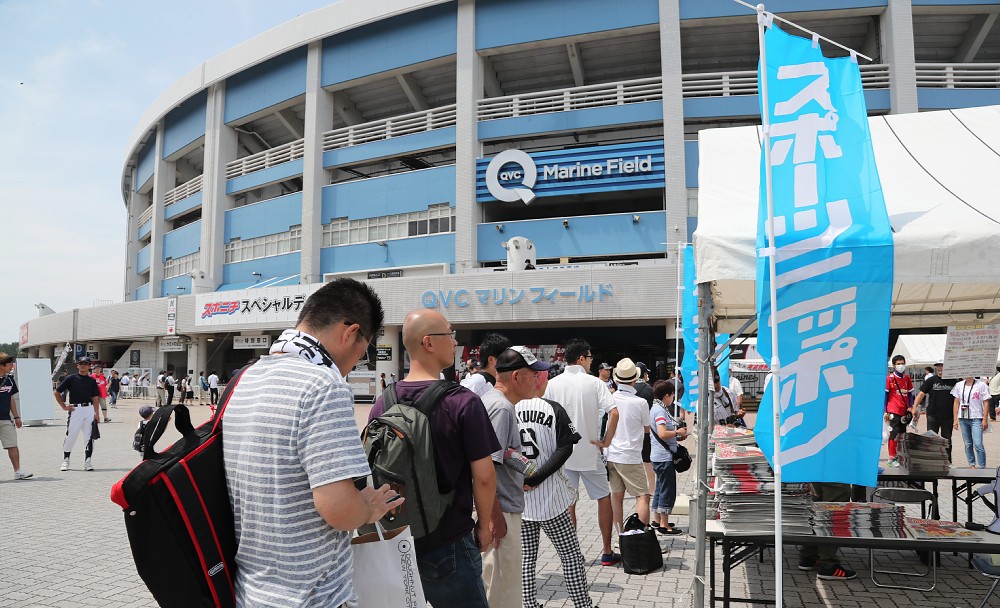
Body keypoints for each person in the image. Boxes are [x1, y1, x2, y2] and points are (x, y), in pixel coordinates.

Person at [223, 278, 402, 607]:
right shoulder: (323, 385)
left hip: (250, 590)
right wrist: (368, 508)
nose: (353, 365)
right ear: (350, 333)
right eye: (361, 354)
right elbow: (339, 510)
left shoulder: (245, 378)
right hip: (311, 594)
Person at [369, 308, 500, 608]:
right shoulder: (462, 401)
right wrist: (483, 526)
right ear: (429, 342)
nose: (455, 343)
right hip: (450, 541)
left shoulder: (383, 402)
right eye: (450, 334)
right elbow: (483, 475)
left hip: (398, 539)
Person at [515, 366, 592, 608]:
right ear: (535, 379)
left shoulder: (508, 408)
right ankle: (583, 605)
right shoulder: (552, 408)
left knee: (526, 559)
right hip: (552, 499)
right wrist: (537, 477)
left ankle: (529, 605)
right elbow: (566, 446)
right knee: (570, 555)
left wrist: (523, 480)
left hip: (521, 498)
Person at [480, 346, 549, 608]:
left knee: (496, 586)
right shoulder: (501, 408)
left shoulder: (491, 401)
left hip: (499, 509)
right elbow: (487, 467)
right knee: (501, 592)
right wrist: (494, 518)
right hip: (501, 513)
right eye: (534, 375)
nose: (537, 381)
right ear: (517, 376)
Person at [544, 338, 620, 566]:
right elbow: (614, 413)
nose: (591, 362)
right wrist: (606, 441)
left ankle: (572, 555)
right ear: (580, 358)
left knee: (569, 502)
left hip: (562, 454)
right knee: (603, 498)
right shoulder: (595, 383)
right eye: (589, 358)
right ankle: (607, 551)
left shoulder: (552, 384)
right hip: (589, 450)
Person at [606, 358, 652, 531]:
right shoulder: (640, 403)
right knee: (642, 496)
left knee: (616, 497)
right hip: (630, 456)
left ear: (616, 379)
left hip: (611, 455)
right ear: (635, 380)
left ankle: (620, 537)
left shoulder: (610, 399)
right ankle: (640, 536)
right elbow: (647, 429)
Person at [649, 380, 686, 535]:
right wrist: (678, 432)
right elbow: (663, 433)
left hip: (659, 456)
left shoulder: (657, 408)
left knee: (660, 489)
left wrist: (676, 437)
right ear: (666, 396)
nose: (673, 398)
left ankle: (657, 520)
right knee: (667, 491)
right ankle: (664, 525)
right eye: (672, 395)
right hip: (664, 457)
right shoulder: (660, 411)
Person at [798, 482, 856, 580]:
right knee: (834, 510)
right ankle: (828, 565)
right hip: (836, 470)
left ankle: (809, 556)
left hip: (817, 469)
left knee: (815, 504)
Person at [54, 357, 101, 471]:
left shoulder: (92, 380)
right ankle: (66, 460)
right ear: (77, 365)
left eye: (86, 364)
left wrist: (96, 413)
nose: (83, 365)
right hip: (75, 409)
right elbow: (57, 392)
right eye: (81, 363)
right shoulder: (71, 378)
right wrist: (63, 406)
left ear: (90, 366)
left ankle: (88, 461)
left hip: (89, 409)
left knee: (89, 437)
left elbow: (95, 397)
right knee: (71, 435)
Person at [912, 363, 956, 460]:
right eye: (938, 366)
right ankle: (931, 460)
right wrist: (914, 407)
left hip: (948, 416)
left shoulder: (954, 381)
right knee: (931, 439)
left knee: (947, 440)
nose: (940, 368)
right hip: (932, 415)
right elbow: (920, 394)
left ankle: (948, 462)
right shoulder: (931, 380)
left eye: (942, 366)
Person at [0, 353, 32, 479]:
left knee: (12, 444)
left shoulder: (9, 379)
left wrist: (16, 417)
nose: (12, 366)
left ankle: (17, 471)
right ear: (1, 365)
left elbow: (11, 398)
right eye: (9, 364)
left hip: (5, 419)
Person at [952, 375, 990, 468]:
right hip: (963, 418)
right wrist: (955, 419)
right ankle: (971, 464)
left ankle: (982, 466)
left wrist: (985, 419)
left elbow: (986, 402)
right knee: (968, 444)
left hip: (976, 417)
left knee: (978, 443)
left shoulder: (981, 385)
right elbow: (956, 402)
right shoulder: (959, 385)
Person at [461, 333, 511, 397]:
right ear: (491, 360)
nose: (509, 362)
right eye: (505, 358)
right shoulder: (476, 382)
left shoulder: (496, 382)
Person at [885, 355, 913, 468]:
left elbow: (910, 394)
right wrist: (885, 411)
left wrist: (911, 406)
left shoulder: (906, 378)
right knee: (894, 433)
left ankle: (900, 456)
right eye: (898, 363)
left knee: (902, 433)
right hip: (893, 410)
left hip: (904, 411)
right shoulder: (890, 378)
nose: (901, 365)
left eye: (902, 363)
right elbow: (885, 395)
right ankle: (891, 457)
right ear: (894, 365)